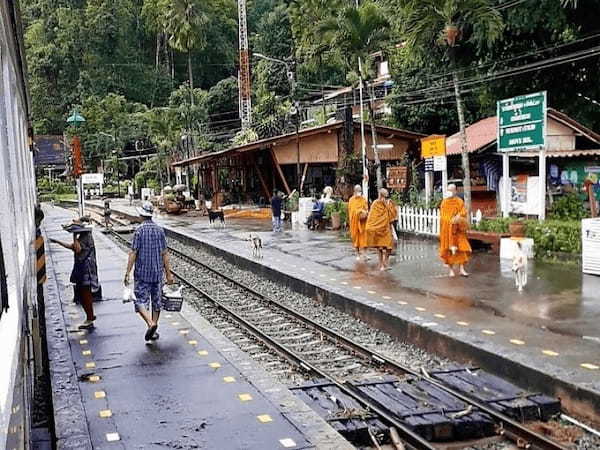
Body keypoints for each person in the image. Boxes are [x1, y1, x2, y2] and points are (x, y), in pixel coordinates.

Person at [124, 201, 174, 341]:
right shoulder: (160, 230)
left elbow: (133, 252)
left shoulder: (139, 231)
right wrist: (168, 274)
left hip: (142, 273)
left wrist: (128, 272)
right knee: (156, 302)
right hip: (157, 273)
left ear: (141, 215)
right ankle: (154, 327)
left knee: (139, 300)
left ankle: (150, 324)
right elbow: (165, 253)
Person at [50, 219, 100, 329]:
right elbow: (73, 247)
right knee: (84, 294)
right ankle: (90, 316)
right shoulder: (85, 236)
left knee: (84, 294)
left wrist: (74, 236)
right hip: (86, 269)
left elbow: (76, 249)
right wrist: (58, 242)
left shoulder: (84, 237)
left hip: (85, 270)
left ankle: (90, 317)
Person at [439, 184, 471, 277]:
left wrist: (458, 217)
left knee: (462, 248)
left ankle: (462, 269)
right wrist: (450, 220)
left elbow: (463, 212)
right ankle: (451, 270)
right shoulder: (444, 202)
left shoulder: (459, 201)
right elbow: (443, 215)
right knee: (448, 250)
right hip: (448, 230)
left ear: (456, 191)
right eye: (448, 190)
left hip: (458, 230)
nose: (450, 192)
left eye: (452, 190)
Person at [366, 188, 394, 271]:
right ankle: (381, 264)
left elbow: (391, 215)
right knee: (380, 247)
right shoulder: (375, 204)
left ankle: (385, 261)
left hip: (385, 228)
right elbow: (372, 217)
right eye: (384, 196)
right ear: (381, 195)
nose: (385, 198)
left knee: (389, 246)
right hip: (377, 229)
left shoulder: (387, 203)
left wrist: (389, 206)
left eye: (386, 197)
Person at [348, 185, 368, 260]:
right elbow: (352, 212)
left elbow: (366, 208)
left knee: (365, 239)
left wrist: (365, 212)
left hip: (363, 222)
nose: (359, 193)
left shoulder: (363, 199)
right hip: (355, 223)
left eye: (360, 191)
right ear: (354, 192)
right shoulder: (351, 200)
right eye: (358, 191)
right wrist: (359, 211)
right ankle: (357, 254)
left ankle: (365, 254)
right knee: (356, 239)